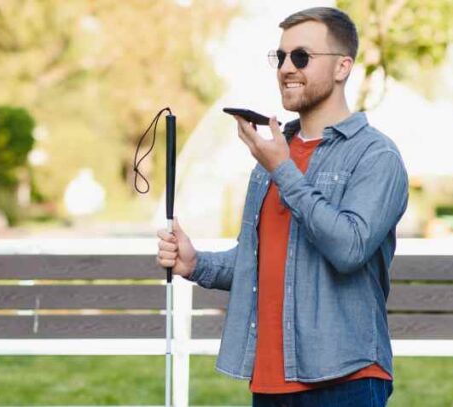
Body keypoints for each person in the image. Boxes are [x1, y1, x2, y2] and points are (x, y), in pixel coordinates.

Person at [156, 6, 408, 406]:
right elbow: (262, 260)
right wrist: (195, 263)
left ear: (342, 67)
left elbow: (350, 248)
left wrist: (283, 171)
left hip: (346, 378)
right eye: (281, 57)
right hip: (271, 380)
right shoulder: (273, 158)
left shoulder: (375, 155)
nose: (287, 68)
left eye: (302, 57)